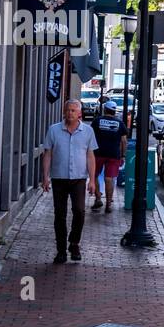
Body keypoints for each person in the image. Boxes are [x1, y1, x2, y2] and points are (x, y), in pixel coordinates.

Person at [41, 99, 97, 264]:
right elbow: (48, 154)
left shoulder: (87, 131)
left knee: (79, 211)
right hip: (59, 178)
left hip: (79, 178)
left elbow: (90, 155)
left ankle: (74, 243)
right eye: (68, 110)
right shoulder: (54, 130)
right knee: (60, 214)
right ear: (63, 112)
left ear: (79, 113)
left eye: (73, 110)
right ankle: (61, 250)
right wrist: (45, 177)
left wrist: (92, 180)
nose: (70, 113)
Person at [91, 99, 128, 214]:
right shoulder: (120, 123)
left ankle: (98, 198)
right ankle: (108, 204)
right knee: (109, 178)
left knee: (94, 175)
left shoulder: (97, 121)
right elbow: (124, 141)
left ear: (104, 109)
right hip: (113, 154)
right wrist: (123, 155)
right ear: (114, 111)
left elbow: (90, 136)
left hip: (98, 153)